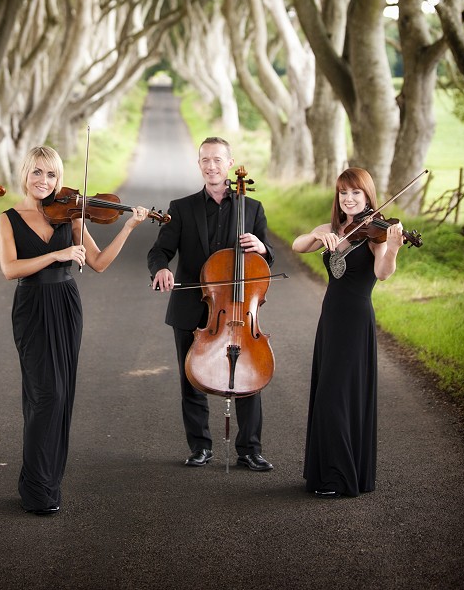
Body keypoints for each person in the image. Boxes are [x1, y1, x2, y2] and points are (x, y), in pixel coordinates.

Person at [0, 145, 150, 516]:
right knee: (43, 395)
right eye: (37, 173)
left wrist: (128, 227)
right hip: (32, 308)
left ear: (59, 179)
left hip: (66, 305)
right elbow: (10, 269)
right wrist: (56, 255)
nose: (44, 181)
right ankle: (35, 487)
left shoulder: (72, 215)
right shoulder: (9, 218)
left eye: (51, 175)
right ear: (25, 174)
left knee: (61, 395)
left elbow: (97, 263)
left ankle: (47, 483)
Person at [148, 136, 275, 471]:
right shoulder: (182, 207)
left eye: (218, 160)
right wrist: (160, 267)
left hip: (238, 308)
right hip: (192, 305)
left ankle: (249, 449)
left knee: (249, 376)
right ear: (199, 164)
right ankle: (200, 446)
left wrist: (261, 247)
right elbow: (160, 251)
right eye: (205, 160)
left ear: (230, 164)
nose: (211, 166)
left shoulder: (253, 208)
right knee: (192, 377)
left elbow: (268, 259)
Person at [291, 166, 404, 498]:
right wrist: (317, 237)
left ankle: (340, 478)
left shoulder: (377, 234)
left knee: (335, 398)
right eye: (344, 193)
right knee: (329, 393)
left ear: (368, 196)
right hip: (330, 319)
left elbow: (383, 273)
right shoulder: (333, 228)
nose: (350, 198)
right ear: (338, 198)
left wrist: (394, 247)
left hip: (355, 320)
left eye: (357, 193)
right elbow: (298, 246)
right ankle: (329, 473)